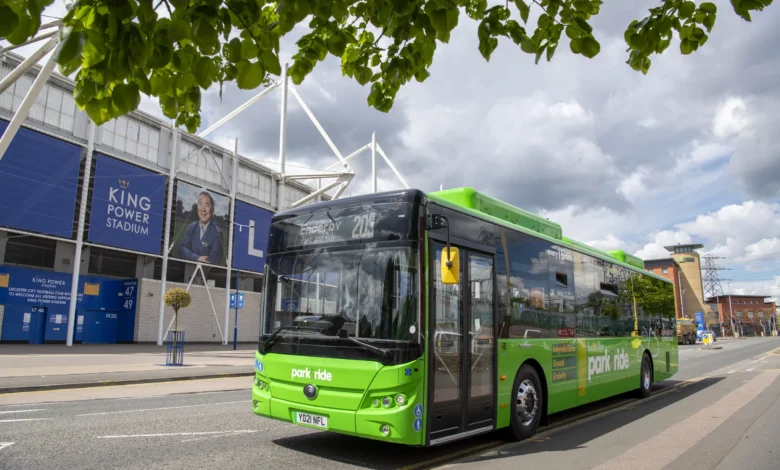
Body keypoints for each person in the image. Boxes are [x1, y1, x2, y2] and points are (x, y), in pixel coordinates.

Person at [179, 190, 225, 265]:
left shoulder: (217, 232)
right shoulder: (191, 227)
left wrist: (190, 256)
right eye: (200, 204)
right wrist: (197, 258)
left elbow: (213, 259)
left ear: (212, 210)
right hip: (188, 267)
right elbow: (182, 248)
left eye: (207, 205)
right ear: (197, 208)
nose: (203, 209)